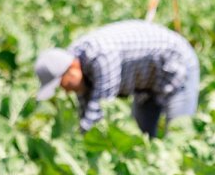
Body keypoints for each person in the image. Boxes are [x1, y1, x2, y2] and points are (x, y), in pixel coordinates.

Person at [34, 20, 200, 138]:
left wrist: (78, 142)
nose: (66, 90)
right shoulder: (77, 61)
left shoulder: (101, 56)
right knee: (142, 140)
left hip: (177, 68)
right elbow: (86, 107)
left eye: (63, 84)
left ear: (71, 69)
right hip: (146, 84)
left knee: (179, 138)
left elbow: (102, 105)